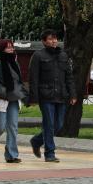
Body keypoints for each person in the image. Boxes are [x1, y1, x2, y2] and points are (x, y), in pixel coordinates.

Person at [28, 29, 76, 162]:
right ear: (44, 42)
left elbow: (69, 77)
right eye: (50, 39)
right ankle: (50, 153)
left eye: (55, 38)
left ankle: (37, 141)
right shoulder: (38, 56)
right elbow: (33, 78)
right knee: (48, 124)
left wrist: (72, 94)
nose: (54, 41)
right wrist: (34, 98)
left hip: (61, 95)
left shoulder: (63, 55)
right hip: (46, 96)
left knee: (58, 125)